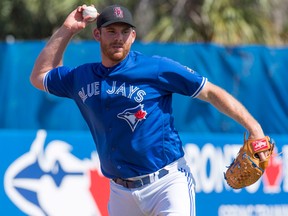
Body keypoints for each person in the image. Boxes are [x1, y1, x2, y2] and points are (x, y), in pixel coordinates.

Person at [30, 4, 269, 216]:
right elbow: (39, 76)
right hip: (120, 193)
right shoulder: (82, 77)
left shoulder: (155, 68)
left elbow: (210, 92)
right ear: (97, 34)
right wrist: (68, 28)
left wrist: (255, 128)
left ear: (133, 36)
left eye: (125, 32)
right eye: (111, 31)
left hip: (167, 184)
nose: (118, 38)